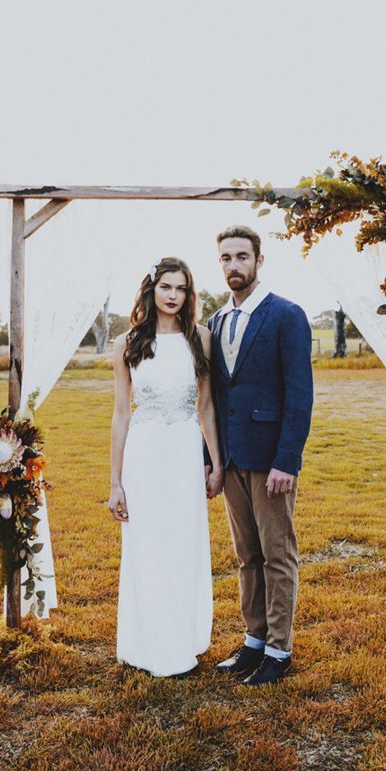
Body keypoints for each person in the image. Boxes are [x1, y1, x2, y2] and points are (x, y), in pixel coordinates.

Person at [206, 225, 313, 686]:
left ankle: (278, 649)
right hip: (230, 460)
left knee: (277, 554)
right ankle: (253, 640)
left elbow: (300, 395)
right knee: (247, 556)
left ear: (259, 261)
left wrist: (287, 460)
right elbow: (208, 398)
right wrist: (209, 460)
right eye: (226, 258)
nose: (234, 265)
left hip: (271, 462)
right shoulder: (214, 323)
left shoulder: (287, 315)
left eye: (242, 257)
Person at [108, 257, 223, 678]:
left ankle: (181, 638)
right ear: (151, 290)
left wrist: (216, 464)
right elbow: (121, 414)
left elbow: (206, 406)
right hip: (145, 452)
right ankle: (148, 642)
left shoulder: (202, 339)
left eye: (182, 289)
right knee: (147, 545)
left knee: (183, 543)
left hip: (183, 452)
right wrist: (115, 482)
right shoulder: (128, 343)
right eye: (166, 287)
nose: (173, 295)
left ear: (189, 295)